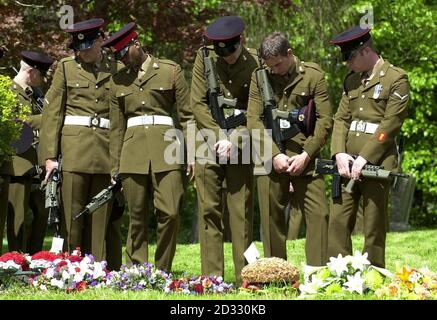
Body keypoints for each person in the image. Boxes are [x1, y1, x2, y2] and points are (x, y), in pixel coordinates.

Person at [105, 22, 191, 272]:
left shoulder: (170, 70)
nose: (121, 59)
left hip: (168, 150)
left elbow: (187, 116)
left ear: (137, 43)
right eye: (117, 56)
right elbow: (116, 128)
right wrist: (115, 167)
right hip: (132, 155)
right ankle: (138, 269)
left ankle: (162, 269)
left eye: (123, 52)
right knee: (137, 216)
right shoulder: (117, 81)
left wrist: (195, 153)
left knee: (171, 212)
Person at [39, 18, 123, 261]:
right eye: (79, 49)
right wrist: (49, 157)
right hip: (74, 150)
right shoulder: (66, 67)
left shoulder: (115, 68)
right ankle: (72, 266)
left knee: (100, 217)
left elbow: (120, 116)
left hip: (106, 151)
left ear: (99, 40)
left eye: (87, 47)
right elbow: (52, 114)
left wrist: (119, 160)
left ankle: (96, 267)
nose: (83, 53)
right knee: (72, 218)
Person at [247, 32, 332, 266]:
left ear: (290, 54)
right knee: (271, 218)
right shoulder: (260, 77)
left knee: (319, 214)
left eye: (278, 64)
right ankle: (277, 272)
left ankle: (318, 273)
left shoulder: (313, 76)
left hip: (306, 156)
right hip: (270, 156)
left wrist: (307, 155)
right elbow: (253, 120)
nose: (274, 70)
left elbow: (325, 120)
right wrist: (273, 154)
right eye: (269, 65)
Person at [329, 26, 410, 267]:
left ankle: (374, 274)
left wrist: (365, 157)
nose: (347, 64)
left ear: (365, 51)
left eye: (350, 57)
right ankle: (337, 272)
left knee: (373, 225)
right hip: (346, 164)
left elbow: (391, 123)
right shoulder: (351, 81)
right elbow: (341, 119)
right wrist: (338, 153)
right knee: (337, 221)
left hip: (377, 164)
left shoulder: (396, 79)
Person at [190, 16, 258, 284]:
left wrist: (235, 139)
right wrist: (219, 136)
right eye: (221, 52)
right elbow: (197, 103)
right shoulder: (204, 58)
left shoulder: (254, 63)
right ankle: (212, 278)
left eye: (231, 50)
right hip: (208, 141)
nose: (227, 57)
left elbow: (254, 110)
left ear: (241, 41)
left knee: (241, 212)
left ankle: (247, 276)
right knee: (209, 211)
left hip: (240, 141)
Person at [5, 51, 54, 253]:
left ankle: (34, 258)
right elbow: (16, 127)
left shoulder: (35, 94)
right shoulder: (9, 91)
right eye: (41, 75)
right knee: (17, 218)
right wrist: (49, 119)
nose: (42, 80)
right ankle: (15, 261)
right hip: (18, 164)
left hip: (37, 163)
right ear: (32, 72)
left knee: (43, 213)